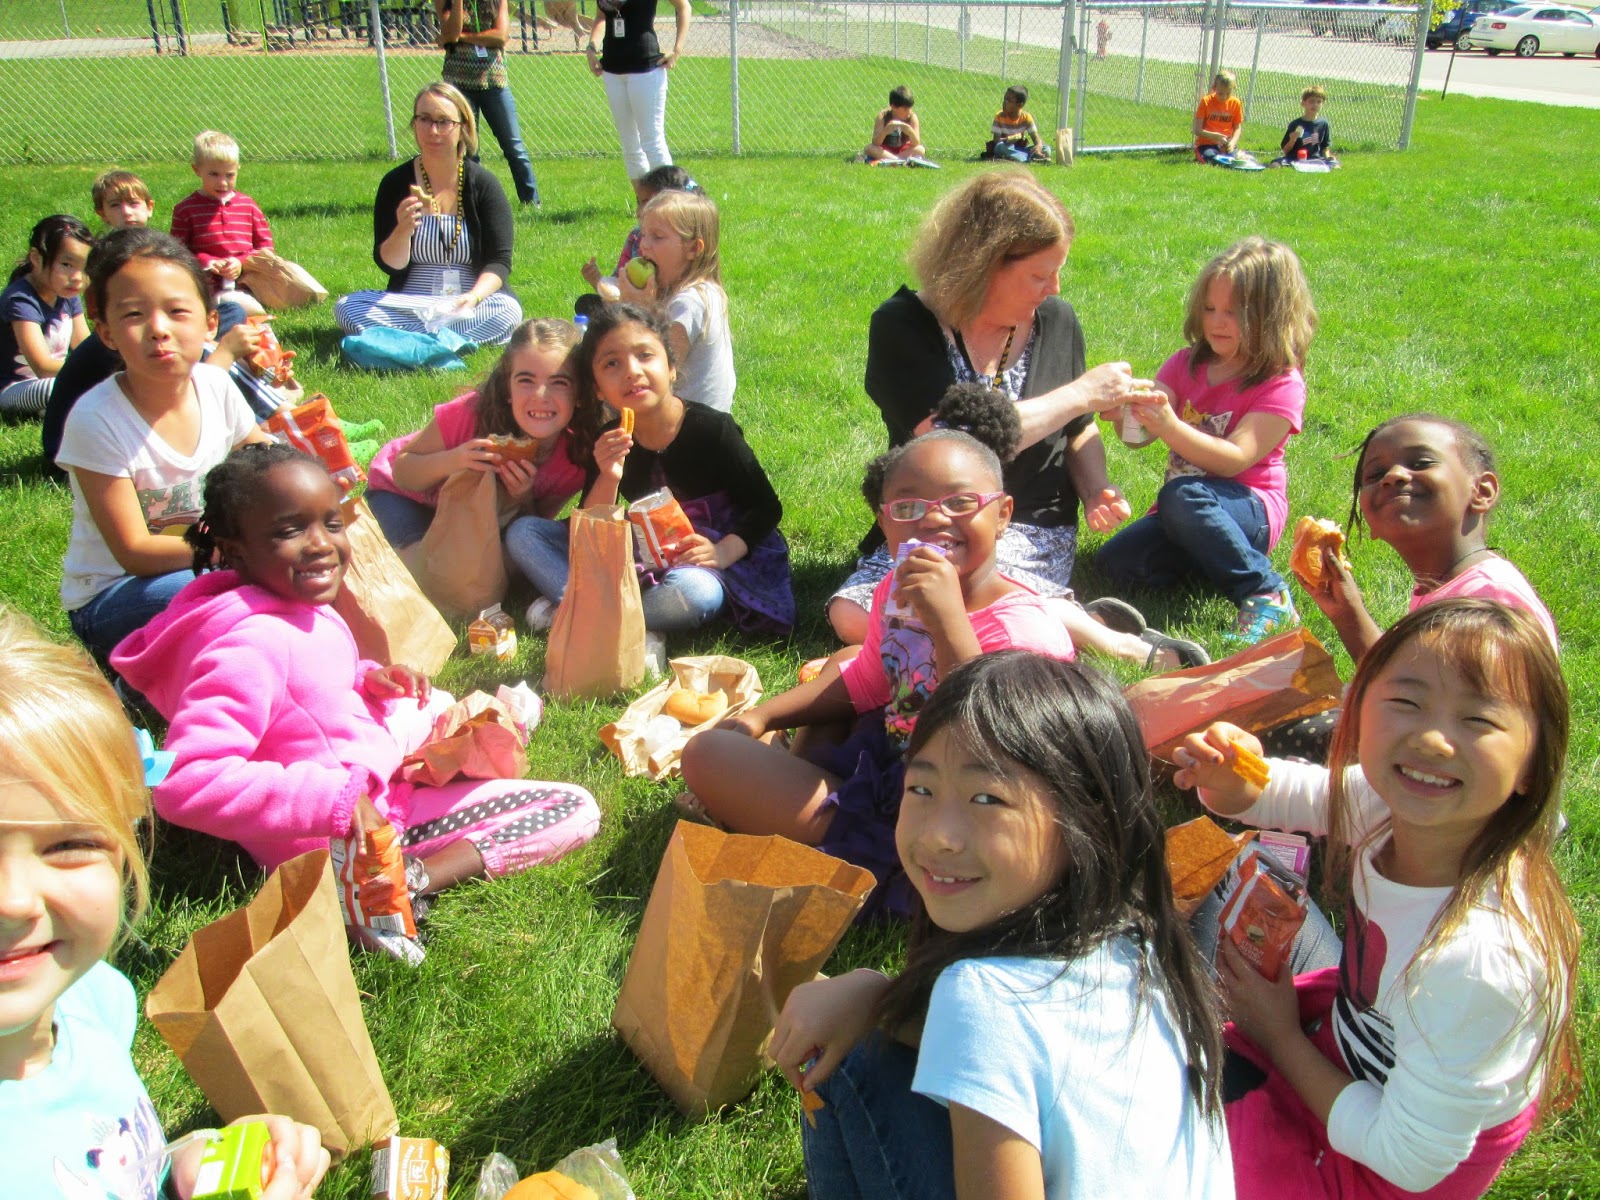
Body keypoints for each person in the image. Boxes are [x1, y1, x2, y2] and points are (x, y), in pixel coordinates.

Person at [768, 651, 1233, 1198]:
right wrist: (877, 997)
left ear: (1085, 820)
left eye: (987, 798)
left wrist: (879, 1008)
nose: (939, 835)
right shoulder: (1141, 940)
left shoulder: (981, 998)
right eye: (921, 790)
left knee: (851, 1062)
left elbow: (993, 1028)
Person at [1174, 599, 1579, 1199]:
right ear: (1358, 708)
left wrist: (1279, 1035)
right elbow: (1287, 794)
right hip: (1351, 1037)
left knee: (1147, 1120)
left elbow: (1407, 1160)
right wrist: (1231, 778)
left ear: (1531, 767)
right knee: (1217, 878)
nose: (1433, 740)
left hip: (1368, 1167)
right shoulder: (1392, 805)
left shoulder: (1477, 962)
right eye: (1407, 702)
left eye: (1478, 720)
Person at [110, 444, 602, 884]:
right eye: (289, 530)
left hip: (358, 766)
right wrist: (335, 801)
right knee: (570, 807)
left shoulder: (289, 601)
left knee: (438, 705)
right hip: (350, 831)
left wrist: (368, 679)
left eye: (331, 523)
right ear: (235, 549)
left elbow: (308, 688)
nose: (321, 544)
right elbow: (185, 782)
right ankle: (410, 880)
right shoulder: (247, 648)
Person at [0, 607, 330, 1200]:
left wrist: (187, 1166)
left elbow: (113, 1167)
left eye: (69, 845)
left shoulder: (88, 999)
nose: (14, 901)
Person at [680, 429, 1074, 919]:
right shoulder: (894, 587)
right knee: (844, 660)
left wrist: (946, 620)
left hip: (946, 811)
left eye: (960, 503)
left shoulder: (1027, 634)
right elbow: (868, 679)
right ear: (885, 524)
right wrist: (759, 718)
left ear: (1003, 515)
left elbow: (992, 750)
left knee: (707, 755)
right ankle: (790, 793)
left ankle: (825, 843)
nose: (934, 519)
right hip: (891, 752)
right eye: (907, 508)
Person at [832, 169, 1142, 659]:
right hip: (931, 521)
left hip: (1027, 524)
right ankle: (1056, 619)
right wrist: (1083, 393)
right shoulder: (903, 326)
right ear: (983, 266)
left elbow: (1078, 430)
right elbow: (958, 443)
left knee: (932, 605)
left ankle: (1111, 640)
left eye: (1056, 272)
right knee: (851, 613)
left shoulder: (1057, 321)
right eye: (1039, 275)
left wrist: (1095, 489)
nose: (1054, 287)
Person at [504, 303, 794, 635]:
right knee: (525, 533)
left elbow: (766, 507)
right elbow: (590, 534)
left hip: (708, 555)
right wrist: (609, 475)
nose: (631, 371)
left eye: (645, 355)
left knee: (695, 594)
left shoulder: (713, 430)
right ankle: (609, 616)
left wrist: (722, 551)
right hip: (644, 544)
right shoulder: (609, 438)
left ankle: (579, 613)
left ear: (671, 367)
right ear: (597, 388)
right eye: (611, 364)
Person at [55, 229, 271, 665]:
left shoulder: (214, 386)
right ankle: (138, 678)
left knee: (294, 574)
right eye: (134, 314)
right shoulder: (97, 419)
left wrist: (313, 486)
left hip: (212, 562)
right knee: (231, 594)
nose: (158, 329)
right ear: (106, 332)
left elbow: (263, 457)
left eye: (177, 311)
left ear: (210, 323)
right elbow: (134, 551)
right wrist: (241, 551)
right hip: (117, 594)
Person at [1097, 237, 1316, 647]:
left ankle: (1265, 591)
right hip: (1183, 512)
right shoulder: (1186, 363)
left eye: (1233, 312)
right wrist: (1129, 414)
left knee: (1182, 494)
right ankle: (1214, 564)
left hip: (1248, 510)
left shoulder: (1280, 383)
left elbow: (1235, 459)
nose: (1217, 322)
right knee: (1116, 562)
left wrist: (1168, 424)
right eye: (1210, 309)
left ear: (1271, 315)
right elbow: (1140, 439)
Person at [1308, 414, 1557, 661]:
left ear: (1481, 492)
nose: (1393, 475)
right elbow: (1403, 677)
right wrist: (1346, 613)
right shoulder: (1442, 584)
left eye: (1421, 463)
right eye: (1375, 474)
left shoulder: (1491, 602)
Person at [366, 317, 586, 550]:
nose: (541, 395)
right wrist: (456, 459)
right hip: (404, 497)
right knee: (423, 565)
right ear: (507, 388)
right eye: (526, 380)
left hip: (471, 521)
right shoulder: (470, 413)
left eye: (559, 382)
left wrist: (523, 496)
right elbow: (402, 472)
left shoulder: (573, 459)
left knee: (502, 563)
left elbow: (534, 528)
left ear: (580, 394)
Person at [335, 83, 522, 347]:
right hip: (411, 303)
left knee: (508, 310)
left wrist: (474, 297)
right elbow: (389, 264)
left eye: (443, 122)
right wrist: (402, 231)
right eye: (424, 119)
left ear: (463, 128)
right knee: (347, 306)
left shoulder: (483, 184)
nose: (432, 130)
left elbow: (499, 261)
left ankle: (408, 340)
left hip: (464, 304)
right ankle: (444, 340)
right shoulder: (395, 183)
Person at [615, 188, 734, 412]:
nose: (644, 245)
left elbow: (661, 368)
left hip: (691, 422)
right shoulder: (675, 290)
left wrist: (638, 309)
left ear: (693, 248)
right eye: (644, 234)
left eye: (657, 237)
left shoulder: (690, 302)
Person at [434, 0, 541, 207]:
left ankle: (531, 202)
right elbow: (451, 33)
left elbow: (501, 36)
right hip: (459, 84)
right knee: (468, 150)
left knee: (514, 147)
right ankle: (474, 203)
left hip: (494, 82)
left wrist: (464, 38)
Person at [586, 0, 691, 194]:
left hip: (646, 70)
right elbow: (601, 16)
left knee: (652, 141)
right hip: (612, 71)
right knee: (630, 144)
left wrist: (677, 50)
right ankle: (644, 203)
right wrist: (591, 48)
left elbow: (684, 6)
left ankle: (671, 201)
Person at [168, 131, 274, 313]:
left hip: (248, 280)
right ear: (197, 170)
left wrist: (241, 262)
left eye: (229, 175)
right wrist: (208, 262)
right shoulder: (186, 209)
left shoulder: (248, 205)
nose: (222, 182)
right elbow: (176, 252)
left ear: (238, 169)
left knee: (244, 305)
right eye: (214, 174)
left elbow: (266, 247)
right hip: (206, 282)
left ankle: (246, 310)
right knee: (222, 305)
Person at [0, 215, 91, 416]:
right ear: (36, 258)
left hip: (59, 379)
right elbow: (42, 366)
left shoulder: (67, 294)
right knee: (54, 389)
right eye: (67, 265)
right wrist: (94, 371)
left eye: (84, 268)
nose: (77, 277)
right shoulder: (21, 299)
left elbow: (84, 347)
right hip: (16, 388)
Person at [579, 163, 696, 309]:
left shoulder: (681, 247)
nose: (640, 210)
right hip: (633, 305)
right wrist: (598, 280)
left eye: (648, 202)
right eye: (638, 202)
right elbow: (619, 280)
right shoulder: (636, 237)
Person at [862, 84, 926, 164]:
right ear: (893, 107)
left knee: (920, 149)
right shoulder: (883, 116)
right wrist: (885, 131)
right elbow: (875, 143)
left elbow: (916, 143)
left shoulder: (912, 117)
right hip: (886, 150)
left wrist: (910, 131)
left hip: (904, 150)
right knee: (869, 148)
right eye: (905, 110)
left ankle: (894, 160)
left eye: (910, 109)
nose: (909, 112)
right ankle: (900, 160)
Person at [984, 85, 1049, 163]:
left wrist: (1038, 145)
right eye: (1004, 99)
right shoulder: (1000, 117)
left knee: (1046, 148)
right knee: (1000, 147)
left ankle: (1023, 157)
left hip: (1019, 149)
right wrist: (1008, 139)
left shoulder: (1026, 117)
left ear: (1019, 105)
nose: (1004, 103)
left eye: (1008, 101)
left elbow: (1035, 137)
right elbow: (996, 140)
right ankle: (1029, 158)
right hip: (1006, 147)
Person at [1274, 86, 1337, 166]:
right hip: (1295, 158)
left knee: (1335, 165)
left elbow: (1325, 147)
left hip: (1315, 158)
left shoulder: (1323, 124)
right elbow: (1286, 150)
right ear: (1303, 103)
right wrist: (1292, 140)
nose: (1315, 105)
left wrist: (1328, 157)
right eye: (1311, 101)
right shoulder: (1295, 124)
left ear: (1322, 104)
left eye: (1319, 102)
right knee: (1275, 165)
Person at [1194, 70, 1243, 163]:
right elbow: (1197, 130)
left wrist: (1232, 143)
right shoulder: (1206, 101)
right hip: (1206, 144)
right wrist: (1215, 136)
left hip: (1226, 144)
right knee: (1214, 159)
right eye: (1220, 93)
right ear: (1214, 87)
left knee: (1238, 160)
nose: (1224, 97)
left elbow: (1237, 128)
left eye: (1228, 93)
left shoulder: (1236, 103)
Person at [91, 169, 155, 231]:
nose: (126, 212)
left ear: (149, 208)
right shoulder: (106, 239)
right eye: (115, 205)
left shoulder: (158, 238)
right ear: (103, 214)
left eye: (133, 203)